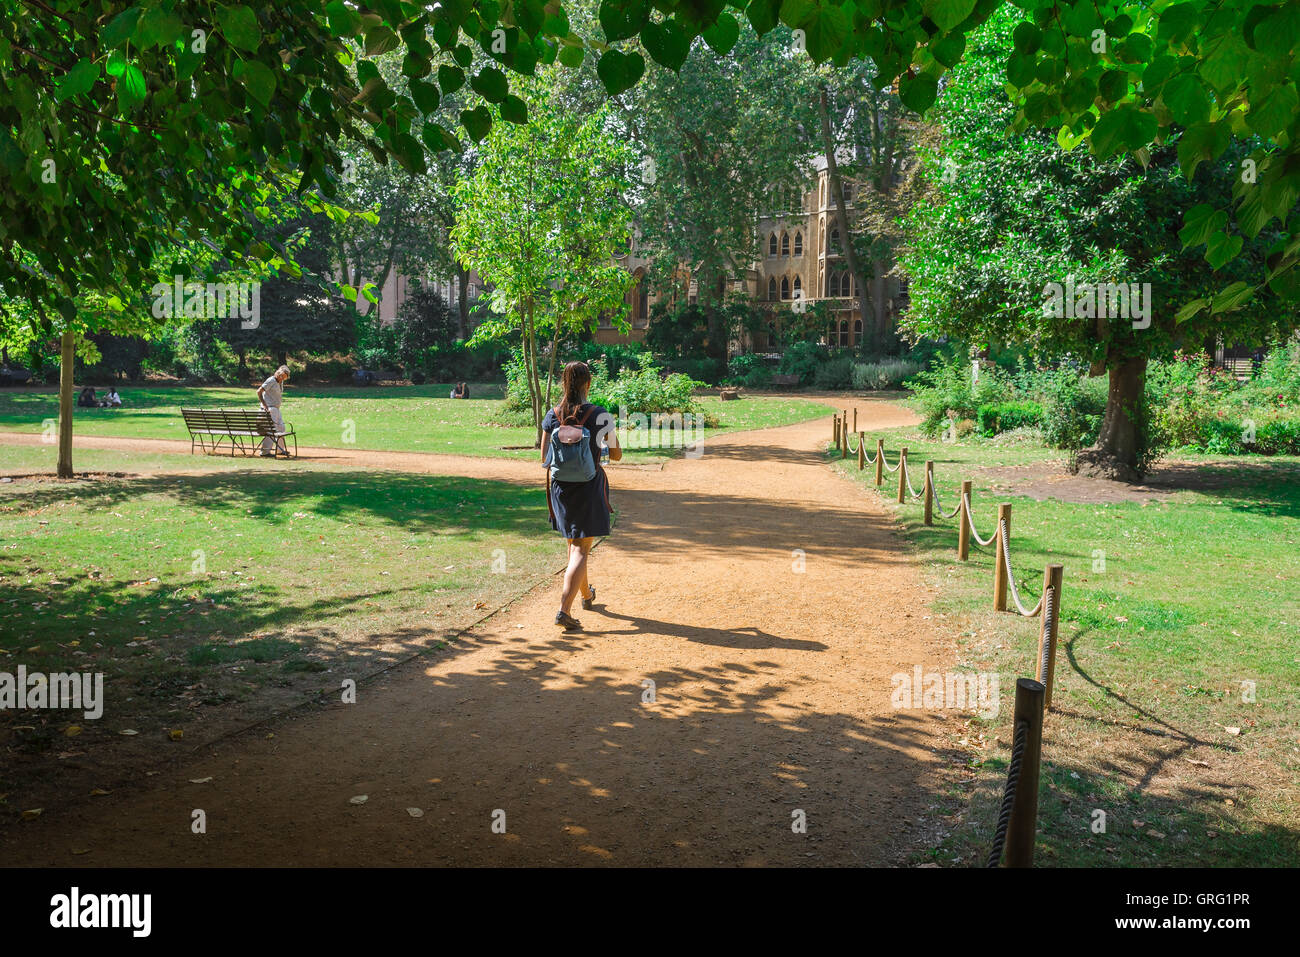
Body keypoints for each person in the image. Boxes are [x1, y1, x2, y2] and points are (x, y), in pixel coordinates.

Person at [540, 361, 620, 631]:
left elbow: (543, 458)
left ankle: (586, 595)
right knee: (581, 548)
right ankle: (564, 609)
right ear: (588, 383)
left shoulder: (553, 414)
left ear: (564, 382)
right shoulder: (600, 414)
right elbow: (617, 454)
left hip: (560, 489)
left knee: (575, 546)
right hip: (588, 486)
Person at [257, 365, 290, 457]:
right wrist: (264, 404)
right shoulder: (271, 380)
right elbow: (259, 391)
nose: (282, 378)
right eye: (281, 376)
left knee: (282, 428)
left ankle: (280, 450)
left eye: (284, 378)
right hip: (270, 409)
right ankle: (265, 452)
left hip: (276, 409)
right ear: (278, 373)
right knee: (271, 429)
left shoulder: (280, 382)